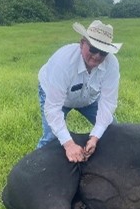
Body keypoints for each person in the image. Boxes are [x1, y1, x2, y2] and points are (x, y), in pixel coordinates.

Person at [37, 20, 122, 163]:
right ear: (82, 43)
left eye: (103, 52)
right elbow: (52, 109)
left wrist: (95, 137)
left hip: (89, 98)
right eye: (93, 49)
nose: (97, 56)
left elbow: (108, 102)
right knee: (51, 138)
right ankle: (36, 166)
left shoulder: (111, 65)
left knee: (112, 129)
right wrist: (69, 144)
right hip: (58, 97)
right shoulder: (63, 63)